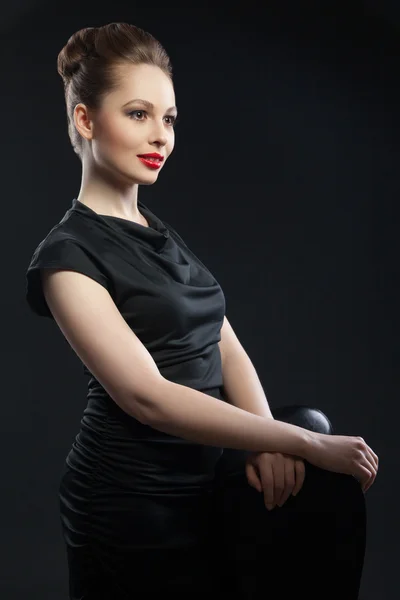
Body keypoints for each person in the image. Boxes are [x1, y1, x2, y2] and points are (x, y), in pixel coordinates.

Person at [25, 22, 378, 600]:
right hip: (134, 502)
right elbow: (147, 396)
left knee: (306, 428)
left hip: (206, 477)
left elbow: (223, 339)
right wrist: (301, 444)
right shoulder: (66, 256)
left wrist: (270, 439)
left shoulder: (160, 233)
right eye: (138, 114)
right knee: (311, 437)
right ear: (86, 120)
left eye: (169, 119)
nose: (160, 135)